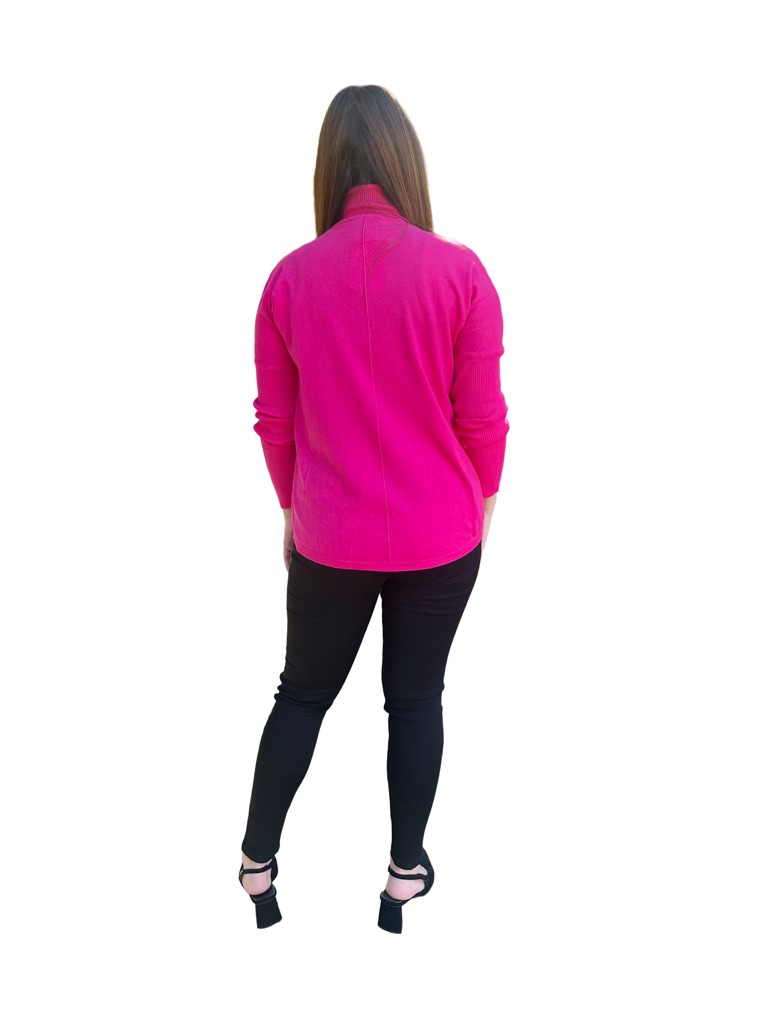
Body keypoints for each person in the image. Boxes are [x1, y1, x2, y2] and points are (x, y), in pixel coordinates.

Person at [239, 84, 509, 933]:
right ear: (405, 164)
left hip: (329, 535)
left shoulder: (289, 280)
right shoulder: (460, 273)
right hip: (441, 534)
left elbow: (276, 423)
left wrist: (295, 514)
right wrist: (479, 516)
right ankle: (402, 877)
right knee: (416, 700)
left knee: (300, 695)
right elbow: (483, 421)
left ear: (329, 169)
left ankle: (256, 867)